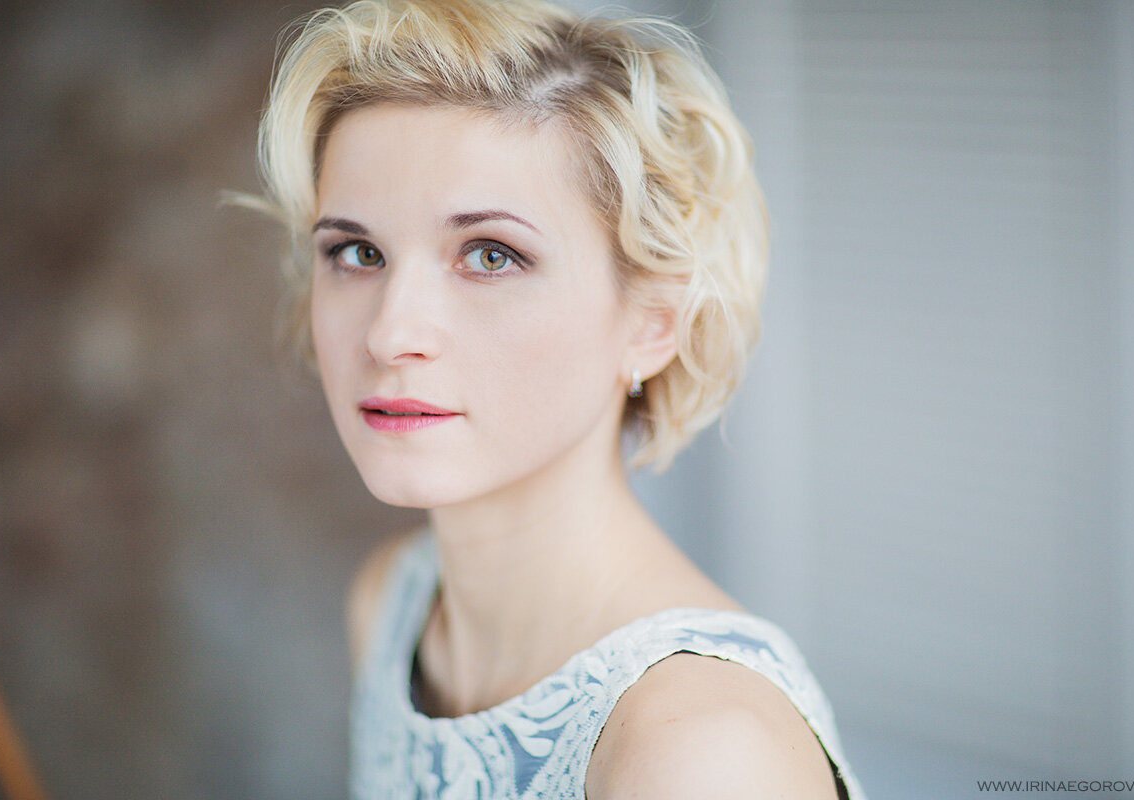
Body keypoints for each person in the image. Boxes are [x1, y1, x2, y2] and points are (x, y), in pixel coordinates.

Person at [250, 0, 867, 797]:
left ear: (652, 325)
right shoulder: (391, 605)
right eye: (357, 252)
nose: (390, 333)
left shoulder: (703, 751)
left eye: (490, 255)